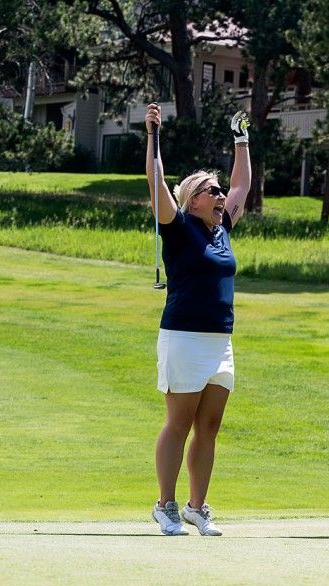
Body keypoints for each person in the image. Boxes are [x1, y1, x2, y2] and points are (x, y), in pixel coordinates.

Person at [146, 102, 250, 536]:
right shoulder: (178, 225)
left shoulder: (222, 229)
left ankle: (196, 506)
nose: (221, 195)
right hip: (183, 338)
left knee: (209, 427)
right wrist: (152, 134)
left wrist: (241, 138)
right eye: (212, 190)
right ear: (192, 199)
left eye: (219, 191)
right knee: (180, 423)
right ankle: (165, 506)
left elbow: (243, 184)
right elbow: (155, 183)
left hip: (219, 342)